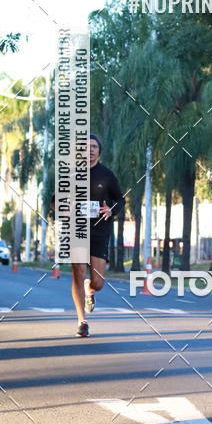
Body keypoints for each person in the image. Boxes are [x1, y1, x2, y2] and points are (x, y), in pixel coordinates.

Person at [71, 134, 124, 337]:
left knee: (98, 282)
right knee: (78, 271)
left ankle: (90, 289)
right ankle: (81, 321)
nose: (90, 149)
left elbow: (120, 200)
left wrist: (111, 210)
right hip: (78, 229)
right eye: (86, 146)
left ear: (98, 151)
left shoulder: (106, 175)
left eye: (94, 146)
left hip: (100, 231)